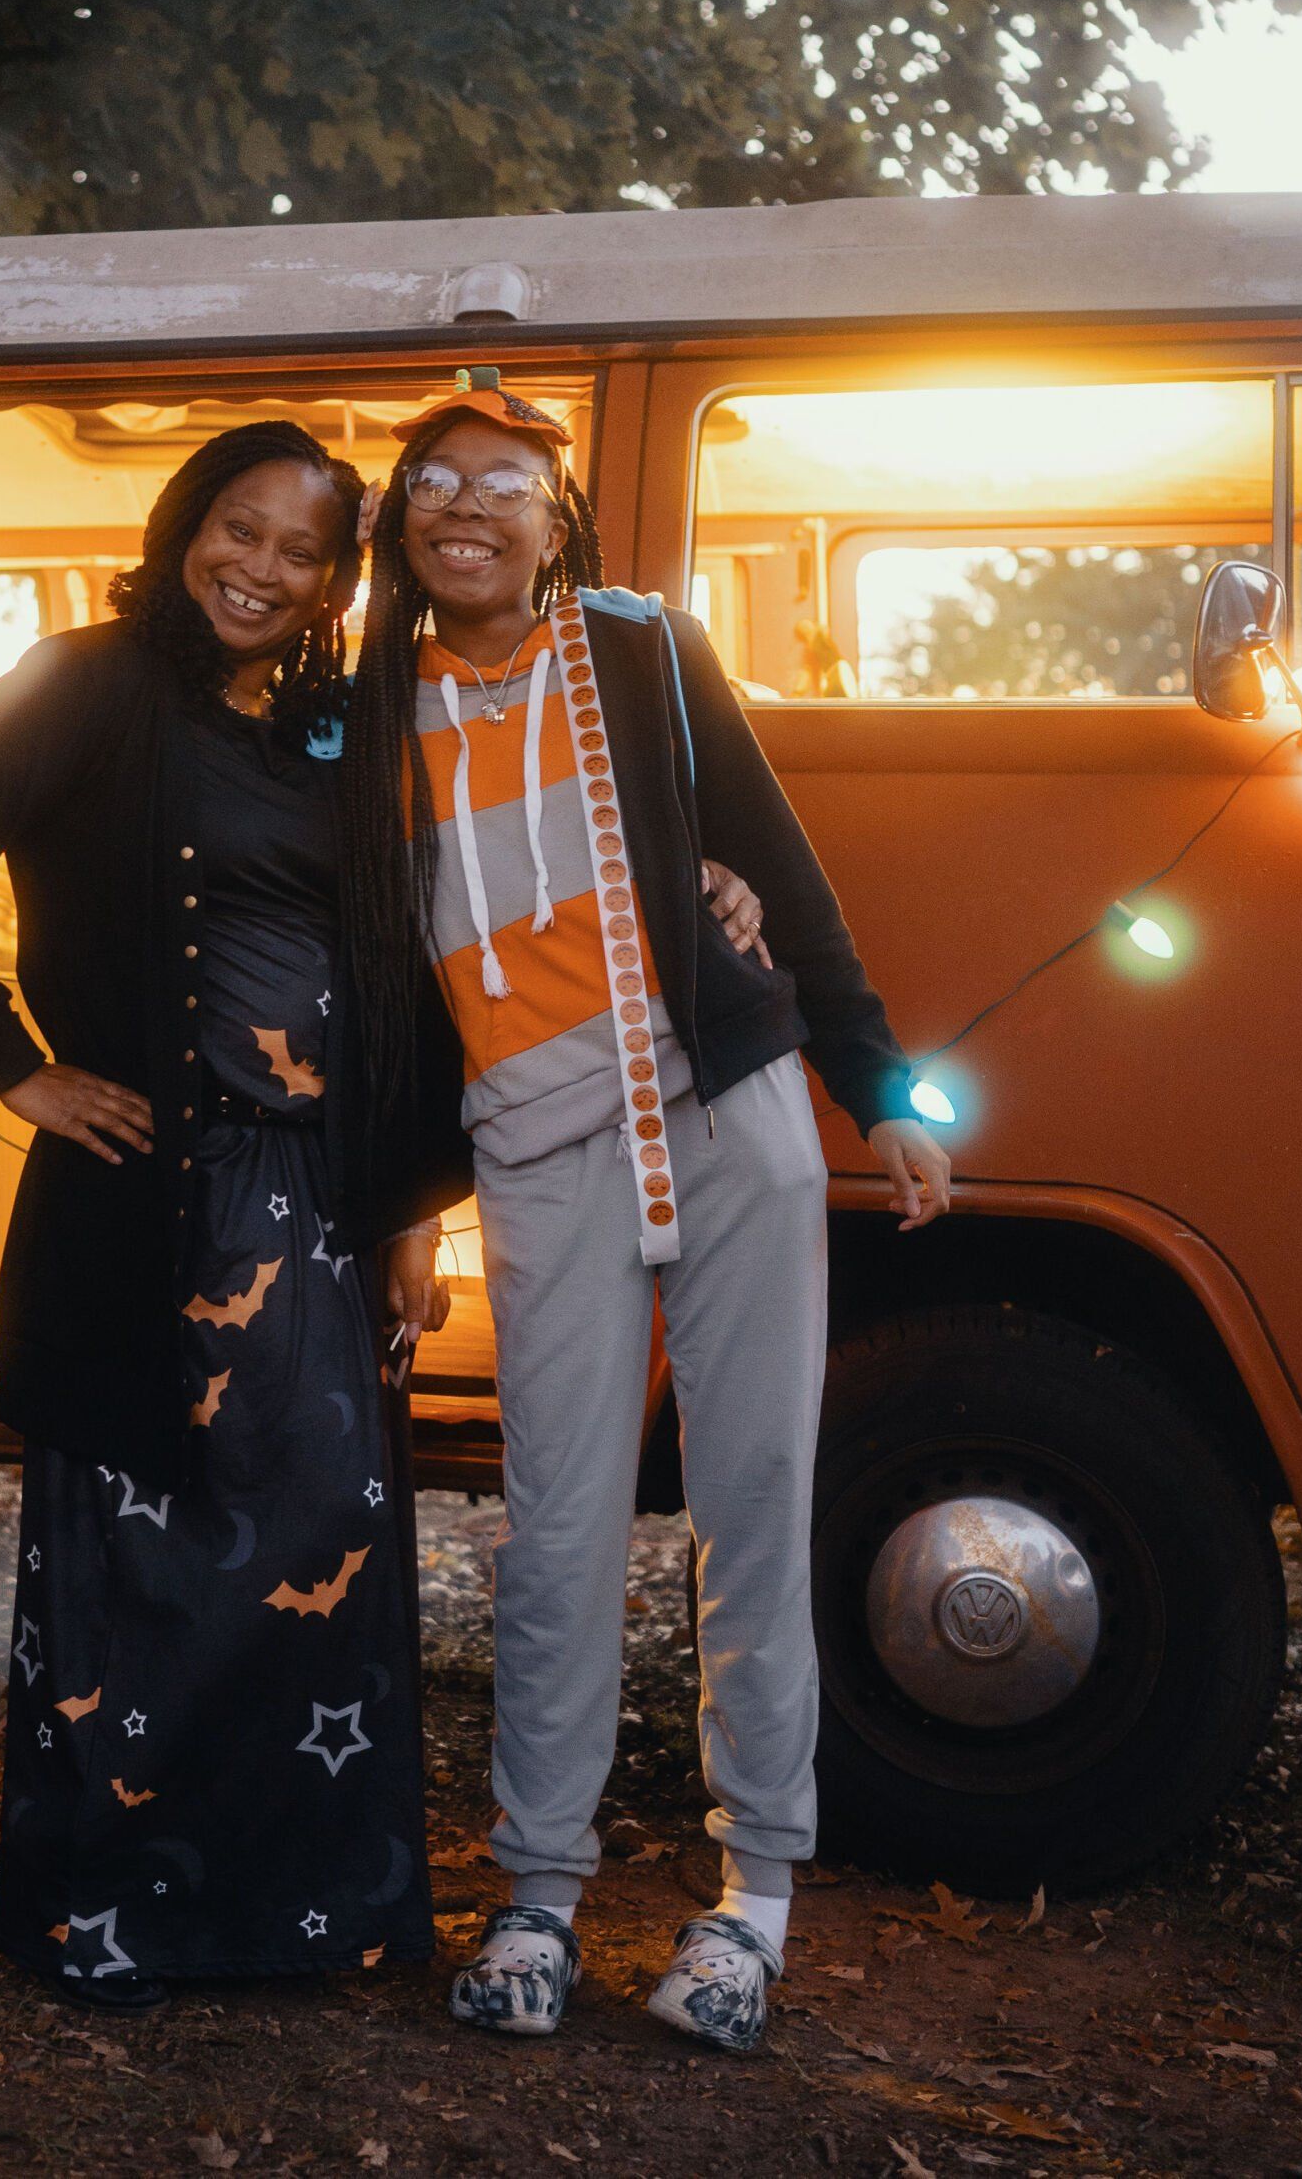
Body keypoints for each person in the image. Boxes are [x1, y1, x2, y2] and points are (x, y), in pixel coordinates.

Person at [340, 370, 952, 2055]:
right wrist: (407, 1198)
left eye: (504, 483)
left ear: (557, 519)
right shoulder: (365, 708)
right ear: (401, 522)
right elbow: (387, 993)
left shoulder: (639, 649)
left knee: (754, 1492)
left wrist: (881, 1086)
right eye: (435, 482)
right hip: (534, 1135)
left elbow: (781, 863)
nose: (467, 506)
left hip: (723, 1100)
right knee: (558, 1520)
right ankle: (536, 1890)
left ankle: (752, 1897)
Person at [0, 422, 466, 2010]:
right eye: (238, 527)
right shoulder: (85, 680)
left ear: (341, 578)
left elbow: (400, 967)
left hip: (323, 1207)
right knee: (141, 1562)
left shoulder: (344, 727)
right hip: (151, 1203)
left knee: (315, 1544)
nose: (261, 567)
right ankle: (119, 1916)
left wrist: (413, 1202)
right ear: (184, 522)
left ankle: (302, 1915)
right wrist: (14, 1067)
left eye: (301, 549)